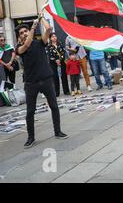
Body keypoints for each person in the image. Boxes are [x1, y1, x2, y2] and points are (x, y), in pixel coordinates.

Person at [15, 15, 68, 149]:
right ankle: (31, 137)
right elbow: (27, 44)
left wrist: (41, 18)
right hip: (31, 83)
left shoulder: (40, 43)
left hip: (46, 79)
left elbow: (49, 29)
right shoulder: (19, 48)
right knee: (30, 112)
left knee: (54, 107)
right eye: (21, 33)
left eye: (25, 31)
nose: (24, 34)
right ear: (19, 37)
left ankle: (58, 131)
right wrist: (33, 26)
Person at [66, 17, 93, 92]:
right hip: (74, 57)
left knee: (85, 71)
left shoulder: (79, 34)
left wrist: (76, 21)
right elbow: (66, 47)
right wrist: (71, 49)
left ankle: (88, 85)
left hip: (82, 55)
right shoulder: (68, 38)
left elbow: (79, 27)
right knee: (75, 73)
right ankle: (76, 87)